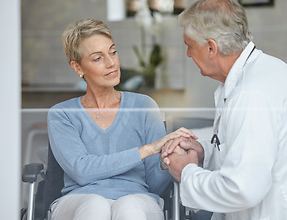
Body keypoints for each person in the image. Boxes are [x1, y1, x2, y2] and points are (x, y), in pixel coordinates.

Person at [162, 0, 287, 220]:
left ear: (211, 48)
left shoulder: (252, 94)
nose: (187, 54)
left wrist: (187, 172)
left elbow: (242, 188)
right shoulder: (269, 69)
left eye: (189, 45)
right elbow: (254, 152)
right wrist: (205, 153)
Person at [47, 18, 196, 220]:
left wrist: (167, 158)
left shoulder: (143, 106)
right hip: (79, 200)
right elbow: (82, 171)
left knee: (130, 207)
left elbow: (155, 185)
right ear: (78, 67)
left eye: (113, 52)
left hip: (138, 197)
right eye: (98, 58)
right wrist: (148, 149)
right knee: (95, 205)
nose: (111, 63)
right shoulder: (63, 114)